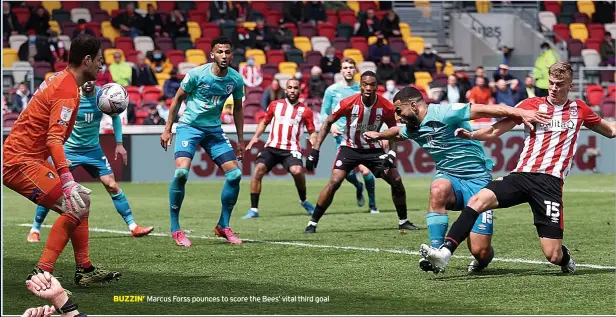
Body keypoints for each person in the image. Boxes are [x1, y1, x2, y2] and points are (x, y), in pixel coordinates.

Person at [419, 61, 616, 274]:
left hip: (549, 183)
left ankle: (564, 258)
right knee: (478, 200)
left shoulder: (580, 109)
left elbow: (610, 131)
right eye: (551, 83)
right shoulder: (530, 105)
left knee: (553, 255)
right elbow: (496, 131)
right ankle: (444, 253)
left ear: (570, 86)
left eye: (559, 84)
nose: (553, 88)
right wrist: (472, 135)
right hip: (521, 176)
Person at [365, 86, 549, 273]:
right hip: (450, 179)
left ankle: (482, 260)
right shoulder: (413, 128)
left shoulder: (444, 113)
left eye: (399, 111)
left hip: (478, 181)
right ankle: (436, 253)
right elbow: (397, 132)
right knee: (438, 188)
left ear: (413, 105)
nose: (397, 117)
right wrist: (379, 135)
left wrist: (521, 113)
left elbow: (484, 109)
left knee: (480, 251)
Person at [3, 35, 121, 285]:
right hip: (19, 162)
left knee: (82, 199)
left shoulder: (60, 79)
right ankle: (42, 272)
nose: (102, 66)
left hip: (29, 158)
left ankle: (85, 270)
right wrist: (67, 179)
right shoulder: (67, 90)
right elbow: (54, 140)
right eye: (99, 60)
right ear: (87, 60)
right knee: (75, 204)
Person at [27, 81, 154, 243]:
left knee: (112, 185)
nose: (89, 83)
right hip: (69, 150)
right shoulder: (71, 96)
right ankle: (35, 229)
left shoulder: (103, 96)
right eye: (86, 79)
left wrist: (119, 144)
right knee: (53, 189)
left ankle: (133, 227)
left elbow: (115, 117)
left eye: (92, 79)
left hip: (93, 151)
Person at [304, 71, 419, 233]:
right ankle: (313, 223)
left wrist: (392, 153)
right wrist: (315, 150)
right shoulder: (348, 103)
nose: (368, 88)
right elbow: (329, 121)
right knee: (334, 182)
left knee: (396, 180)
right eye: (365, 84)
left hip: (374, 151)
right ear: (360, 86)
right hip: (349, 148)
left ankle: (403, 220)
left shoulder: (386, 106)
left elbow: (393, 131)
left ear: (376, 87)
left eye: (372, 85)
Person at [160, 36, 246, 247]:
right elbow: (177, 99)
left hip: (214, 130)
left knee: (235, 175)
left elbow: (238, 108)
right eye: (220, 52)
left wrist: (241, 140)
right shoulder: (197, 75)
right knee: (181, 173)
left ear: (231, 55)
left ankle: (223, 226)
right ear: (212, 54)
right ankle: (176, 229)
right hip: (189, 128)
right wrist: (167, 129)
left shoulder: (235, 80)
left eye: (227, 52)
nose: (224, 56)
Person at [243, 78, 318, 218]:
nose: (292, 90)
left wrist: (314, 143)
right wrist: (255, 137)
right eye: (290, 87)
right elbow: (264, 122)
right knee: (258, 169)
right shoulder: (274, 105)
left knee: (297, 171)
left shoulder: (305, 110)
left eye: (295, 88)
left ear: (299, 91)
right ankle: (253, 209)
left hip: (291, 149)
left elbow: (312, 131)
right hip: (272, 146)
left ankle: (303, 200)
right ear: (286, 89)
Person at [320, 58, 379, 213]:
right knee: (348, 173)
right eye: (345, 67)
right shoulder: (331, 90)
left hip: (361, 135)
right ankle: (358, 187)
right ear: (341, 71)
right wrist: (331, 126)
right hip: (341, 137)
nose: (348, 70)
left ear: (355, 70)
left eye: (351, 67)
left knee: (366, 171)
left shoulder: (361, 89)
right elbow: (323, 113)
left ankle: (372, 204)